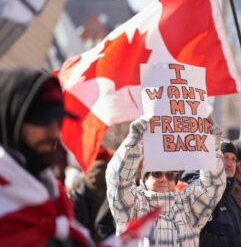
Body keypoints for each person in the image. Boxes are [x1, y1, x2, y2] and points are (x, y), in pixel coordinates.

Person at [0, 67, 90, 246]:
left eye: (57, 121)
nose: (54, 132)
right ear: (10, 122)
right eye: (42, 120)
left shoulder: (53, 194)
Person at [106, 117, 226, 246]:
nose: (164, 179)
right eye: (157, 174)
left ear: (175, 180)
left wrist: (210, 144)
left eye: (170, 175)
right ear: (145, 178)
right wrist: (134, 140)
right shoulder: (134, 206)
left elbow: (213, 184)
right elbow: (118, 181)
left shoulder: (188, 206)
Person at [182, 141, 241, 247]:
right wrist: (230, 244)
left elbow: (233, 230)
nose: (230, 164)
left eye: (233, 159)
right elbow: (192, 236)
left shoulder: (228, 197)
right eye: (224, 157)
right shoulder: (199, 193)